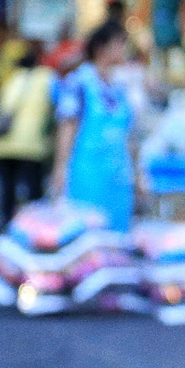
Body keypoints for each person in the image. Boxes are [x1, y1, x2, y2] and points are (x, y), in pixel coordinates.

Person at [50, 21, 137, 232]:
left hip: (118, 178)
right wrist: (60, 169)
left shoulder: (118, 89)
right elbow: (67, 127)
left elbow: (128, 136)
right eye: (119, 43)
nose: (124, 49)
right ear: (101, 48)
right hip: (87, 175)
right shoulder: (78, 82)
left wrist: (137, 172)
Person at [0, 39, 56, 224]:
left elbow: (3, 106)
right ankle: (35, 234)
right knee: (34, 196)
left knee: (7, 193)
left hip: (3, 145)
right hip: (31, 146)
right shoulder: (47, 78)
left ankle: (9, 230)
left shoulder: (12, 79)